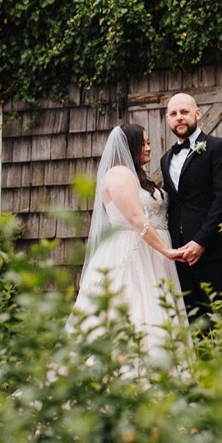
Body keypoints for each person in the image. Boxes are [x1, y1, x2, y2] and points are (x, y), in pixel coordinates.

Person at [72, 124, 190, 371]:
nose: (149, 147)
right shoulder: (118, 173)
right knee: (136, 309)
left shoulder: (138, 176)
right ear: (131, 146)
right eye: (144, 143)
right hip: (134, 252)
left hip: (152, 255)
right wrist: (167, 251)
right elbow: (137, 219)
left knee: (156, 309)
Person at [161, 93, 222, 334]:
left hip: (215, 252)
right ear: (167, 119)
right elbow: (175, 206)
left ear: (197, 113)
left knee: (221, 320)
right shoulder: (166, 159)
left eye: (184, 112)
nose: (179, 118)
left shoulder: (219, 148)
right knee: (194, 325)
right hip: (181, 256)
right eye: (173, 114)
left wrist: (200, 242)